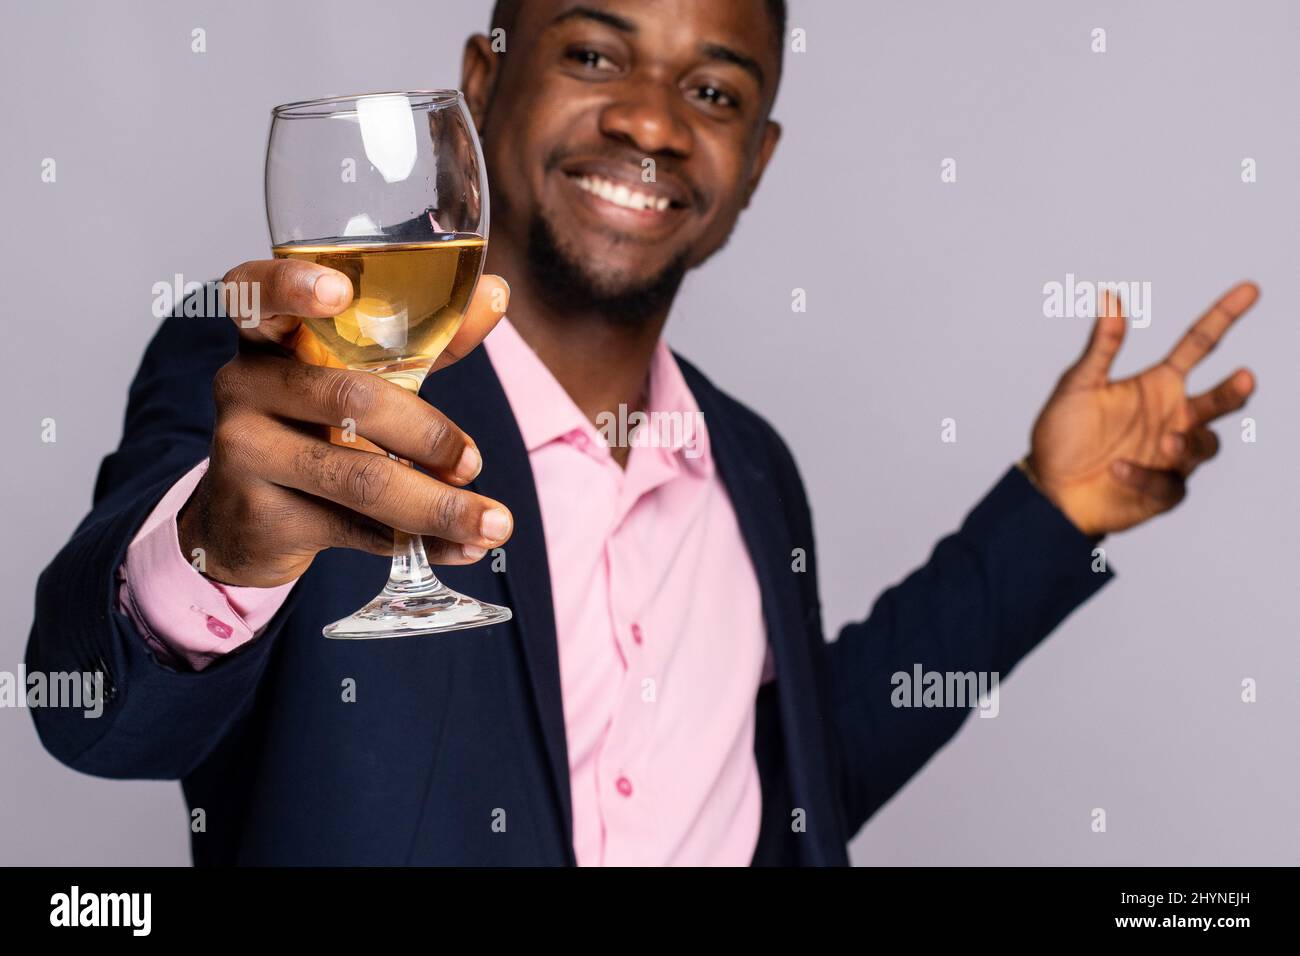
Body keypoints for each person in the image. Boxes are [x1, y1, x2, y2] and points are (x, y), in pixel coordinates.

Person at [27, 0, 1258, 866]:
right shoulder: (286, 369)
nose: (656, 123)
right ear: (482, 75)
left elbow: (792, 788)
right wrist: (218, 552)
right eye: (595, 52)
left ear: (757, 159)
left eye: (713, 89)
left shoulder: (751, 465)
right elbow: (96, 714)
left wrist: (1051, 515)